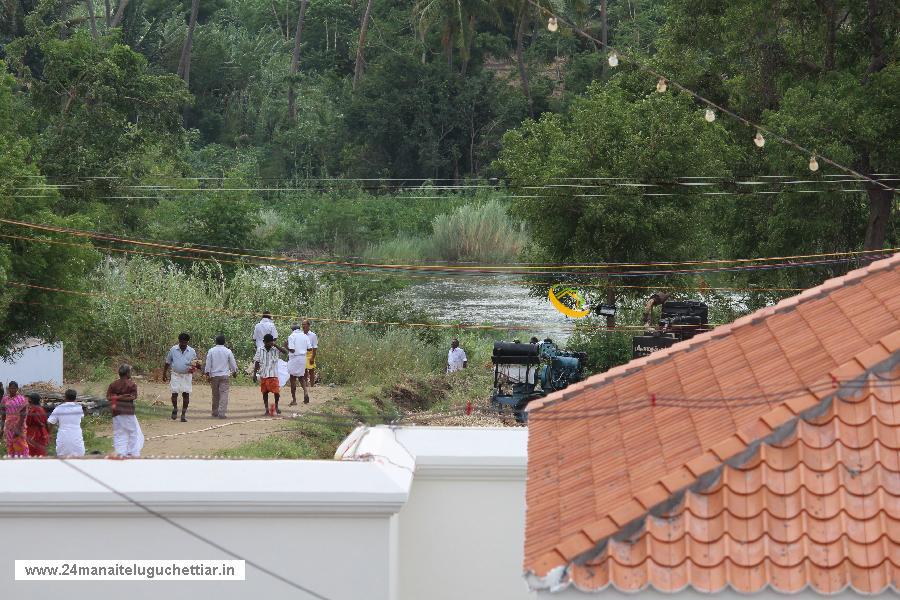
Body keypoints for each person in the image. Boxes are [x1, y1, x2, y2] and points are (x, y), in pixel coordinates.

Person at [107, 364, 144, 458]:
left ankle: (120, 453)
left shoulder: (113, 384)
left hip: (116, 412)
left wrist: (117, 397)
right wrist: (123, 397)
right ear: (127, 373)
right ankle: (132, 453)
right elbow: (133, 397)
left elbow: (109, 397)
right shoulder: (132, 384)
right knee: (132, 432)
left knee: (119, 433)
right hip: (128, 412)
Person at [163, 332, 198, 422]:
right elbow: (167, 362)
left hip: (187, 375)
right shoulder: (173, 349)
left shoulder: (192, 351)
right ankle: (175, 408)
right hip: (175, 374)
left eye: (185, 343)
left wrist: (196, 367)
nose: (183, 344)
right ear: (179, 341)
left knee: (186, 394)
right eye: (181, 342)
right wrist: (164, 373)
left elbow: (195, 363)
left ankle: (183, 414)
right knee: (174, 393)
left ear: (187, 342)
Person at [204, 334, 238, 419]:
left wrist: (207, 373)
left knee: (215, 394)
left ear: (216, 341)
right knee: (224, 394)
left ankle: (215, 412)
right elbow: (232, 363)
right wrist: (234, 372)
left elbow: (208, 363)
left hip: (214, 376)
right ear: (224, 342)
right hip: (224, 375)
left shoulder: (211, 351)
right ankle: (222, 413)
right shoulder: (228, 351)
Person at [253, 333, 287, 415]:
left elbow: (285, 352)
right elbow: (257, 362)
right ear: (264, 342)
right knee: (264, 393)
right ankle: (266, 409)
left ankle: (276, 406)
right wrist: (254, 374)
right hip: (264, 374)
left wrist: (275, 345)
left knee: (276, 392)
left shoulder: (275, 349)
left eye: (270, 342)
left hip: (273, 375)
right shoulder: (260, 350)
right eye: (267, 342)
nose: (269, 344)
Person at [47, 389, 86, 457]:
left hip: (63, 436)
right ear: (75, 398)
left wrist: (48, 433)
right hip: (76, 435)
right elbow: (81, 417)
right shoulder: (79, 408)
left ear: (65, 397)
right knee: (78, 456)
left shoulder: (59, 408)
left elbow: (51, 422)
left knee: (62, 456)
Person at [1, 381, 29, 457]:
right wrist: (2, 428)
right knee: (10, 444)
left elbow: (23, 415)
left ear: (17, 389)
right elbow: (3, 413)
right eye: (11, 388)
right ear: (8, 388)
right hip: (9, 425)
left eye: (14, 388)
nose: (13, 390)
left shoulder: (21, 399)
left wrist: (18, 428)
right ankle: (12, 460)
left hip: (19, 425)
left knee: (20, 443)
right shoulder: (5, 399)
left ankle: (22, 460)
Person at [287, 324, 311, 406]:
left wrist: (286, 346)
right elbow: (310, 348)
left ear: (292, 329)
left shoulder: (291, 336)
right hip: (303, 359)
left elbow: (292, 350)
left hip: (294, 358)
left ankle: (294, 400)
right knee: (301, 377)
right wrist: (302, 348)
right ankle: (305, 392)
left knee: (292, 379)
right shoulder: (305, 336)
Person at [302, 319, 318, 387]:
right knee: (304, 371)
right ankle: (305, 385)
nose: (303, 326)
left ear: (308, 326)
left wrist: (312, 357)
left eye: (305, 324)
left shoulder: (313, 335)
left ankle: (312, 385)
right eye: (302, 324)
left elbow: (315, 347)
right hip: (302, 354)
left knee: (311, 370)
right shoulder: (300, 334)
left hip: (310, 354)